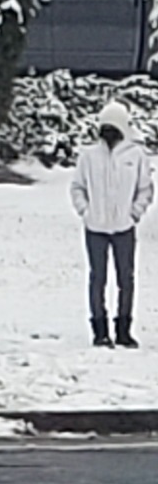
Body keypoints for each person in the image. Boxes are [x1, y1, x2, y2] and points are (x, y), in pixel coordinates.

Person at [71, 101, 152, 348]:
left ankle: (124, 329)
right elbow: (77, 187)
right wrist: (86, 211)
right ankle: (99, 330)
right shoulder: (89, 155)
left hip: (124, 228)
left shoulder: (135, 155)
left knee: (125, 279)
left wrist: (135, 213)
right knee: (97, 279)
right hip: (95, 227)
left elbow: (145, 188)